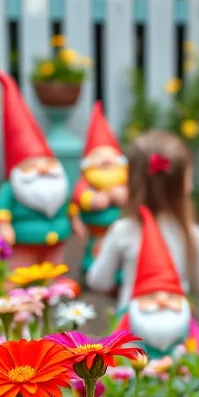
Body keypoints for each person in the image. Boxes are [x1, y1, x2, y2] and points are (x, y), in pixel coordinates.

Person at [86, 131, 199, 357]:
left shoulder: (122, 231)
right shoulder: (192, 234)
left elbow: (98, 280)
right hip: (179, 329)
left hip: (130, 331)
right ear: (183, 185)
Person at [0, 70, 74, 269]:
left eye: (46, 162)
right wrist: (3, 226)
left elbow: (69, 205)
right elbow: (1, 209)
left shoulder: (59, 184)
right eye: (32, 165)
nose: (43, 169)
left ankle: (53, 287)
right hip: (24, 243)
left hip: (56, 242)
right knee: (21, 268)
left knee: (54, 267)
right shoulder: (10, 189)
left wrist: (75, 220)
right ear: (17, 170)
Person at [72, 101, 128, 278]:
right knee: (96, 252)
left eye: (109, 157)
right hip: (96, 232)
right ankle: (92, 272)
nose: (105, 160)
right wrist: (95, 200)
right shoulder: (85, 182)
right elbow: (80, 198)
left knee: (121, 254)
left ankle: (118, 276)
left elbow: (130, 198)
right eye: (98, 156)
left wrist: (118, 195)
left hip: (120, 230)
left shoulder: (125, 181)